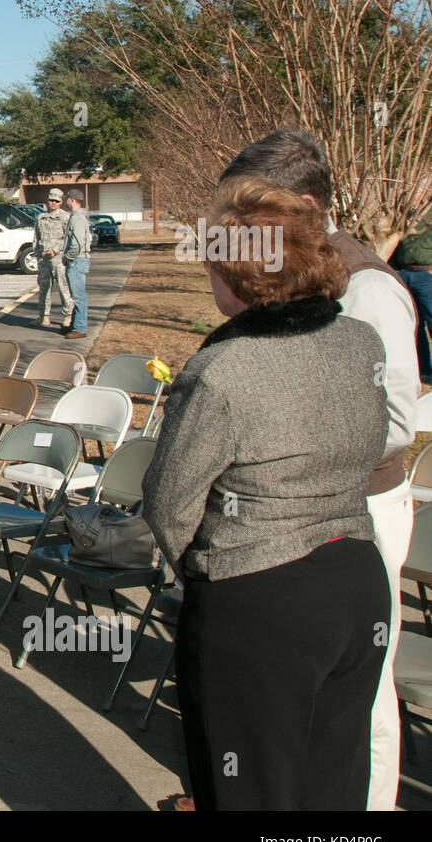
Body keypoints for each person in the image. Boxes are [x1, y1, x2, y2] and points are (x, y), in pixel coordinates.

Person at [143, 177, 390, 810]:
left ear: (241, 279)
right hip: (358, 578)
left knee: (249, 791)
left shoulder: (224, 370)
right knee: (334, 783)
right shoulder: (360, 342)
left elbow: (170, 500)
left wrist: (203, 566)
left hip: (259, 596)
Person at [219, 128, 418, 810]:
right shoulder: (303, 269)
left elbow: (396, 420)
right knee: (298, 686)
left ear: (306, 202)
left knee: (357, 693)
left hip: (362, 511)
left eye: (259, 212)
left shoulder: (368, 289)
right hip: (299, 510)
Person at [390, 202, 432, 385]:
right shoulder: (401, 214)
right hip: (403, 273)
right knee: (415, 326)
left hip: (426, 274)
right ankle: (424, 372)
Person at [34, 187, 72, 329]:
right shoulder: (40, 217)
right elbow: (36, 238)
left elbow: (68, 238)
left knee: (63, 287)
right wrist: (38, 255)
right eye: (51, 200)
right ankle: (43, 316)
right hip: (43, 259)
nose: (53, 203)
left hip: (58, 259)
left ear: (61, 202)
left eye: (56, 201)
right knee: (44, 288)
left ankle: (68, 315)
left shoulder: (65, 217)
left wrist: (55, 250)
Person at [61, 188, 92, 339]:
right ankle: (74, 325)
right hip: (78, 260)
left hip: (76, 261)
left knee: (79, 296)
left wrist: (68, 256)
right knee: (77, 295)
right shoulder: (79, 217)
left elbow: (77, 243)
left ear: (72, 200)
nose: (64, 201)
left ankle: (79, 328)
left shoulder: (77, 219)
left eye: (66, 198)